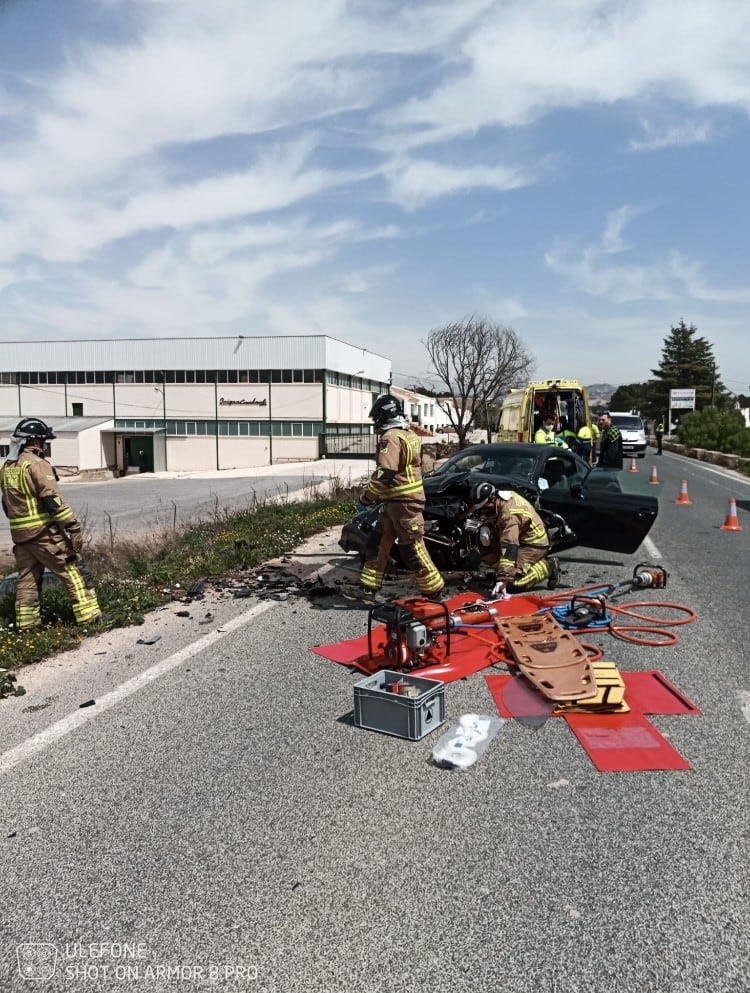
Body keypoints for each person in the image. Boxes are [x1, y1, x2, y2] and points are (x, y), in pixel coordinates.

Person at [0, 418, 104, 629]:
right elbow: (52, 499)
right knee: (73, 570)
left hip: (21, 537)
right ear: (35, 441)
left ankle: (27, 624)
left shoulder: (7, 467)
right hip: (44, 534)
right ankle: (90, 617)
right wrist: (72, 526)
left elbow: (6, 503)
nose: (45, 445)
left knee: (27, 579)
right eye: (43, 440)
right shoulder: (37, 465)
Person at [357, 395, 444, 599]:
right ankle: (368, 589)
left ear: (383, 415)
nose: (376, 422)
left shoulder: (391, 438)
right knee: (377, 543)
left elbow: (385, 472)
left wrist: (367, 497)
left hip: (403, 503)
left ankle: (434, 592)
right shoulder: (409, 435)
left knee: (412, 548)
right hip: (395, 504)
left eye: (377, 417)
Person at [493, 489, 559, 592]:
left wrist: (504, 577)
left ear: (491, 499)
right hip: (523, 538)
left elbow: (510, 545)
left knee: (511, 584)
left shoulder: (509, 514)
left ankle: (549, 566)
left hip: (534, 544)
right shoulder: (502, 497)